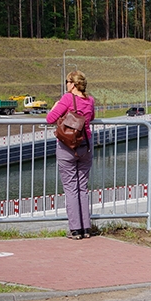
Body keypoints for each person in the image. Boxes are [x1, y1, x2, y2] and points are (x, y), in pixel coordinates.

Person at [46, 70, 95, 239]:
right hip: (86, 146)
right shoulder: (90, 100)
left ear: (72, 84)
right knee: (82, 187)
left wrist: (56, 106)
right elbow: (92, 117)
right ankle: (86, 228)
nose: (66, 84)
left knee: (71, 188)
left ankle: (75, 229)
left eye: (67, 81)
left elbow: (50, 118)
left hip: (67, 147)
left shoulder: (67, 98)